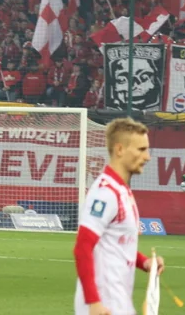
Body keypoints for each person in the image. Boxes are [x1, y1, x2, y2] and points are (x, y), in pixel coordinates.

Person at [73, 118, 165, 315]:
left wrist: (144, 262)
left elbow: (118, 244)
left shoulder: (122, 191)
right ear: (120, 149)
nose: (147, 156)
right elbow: (82, 247)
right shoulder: (105, 192)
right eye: (141, 149)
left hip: (118, 300)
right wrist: (93, 302)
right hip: (104, 303)